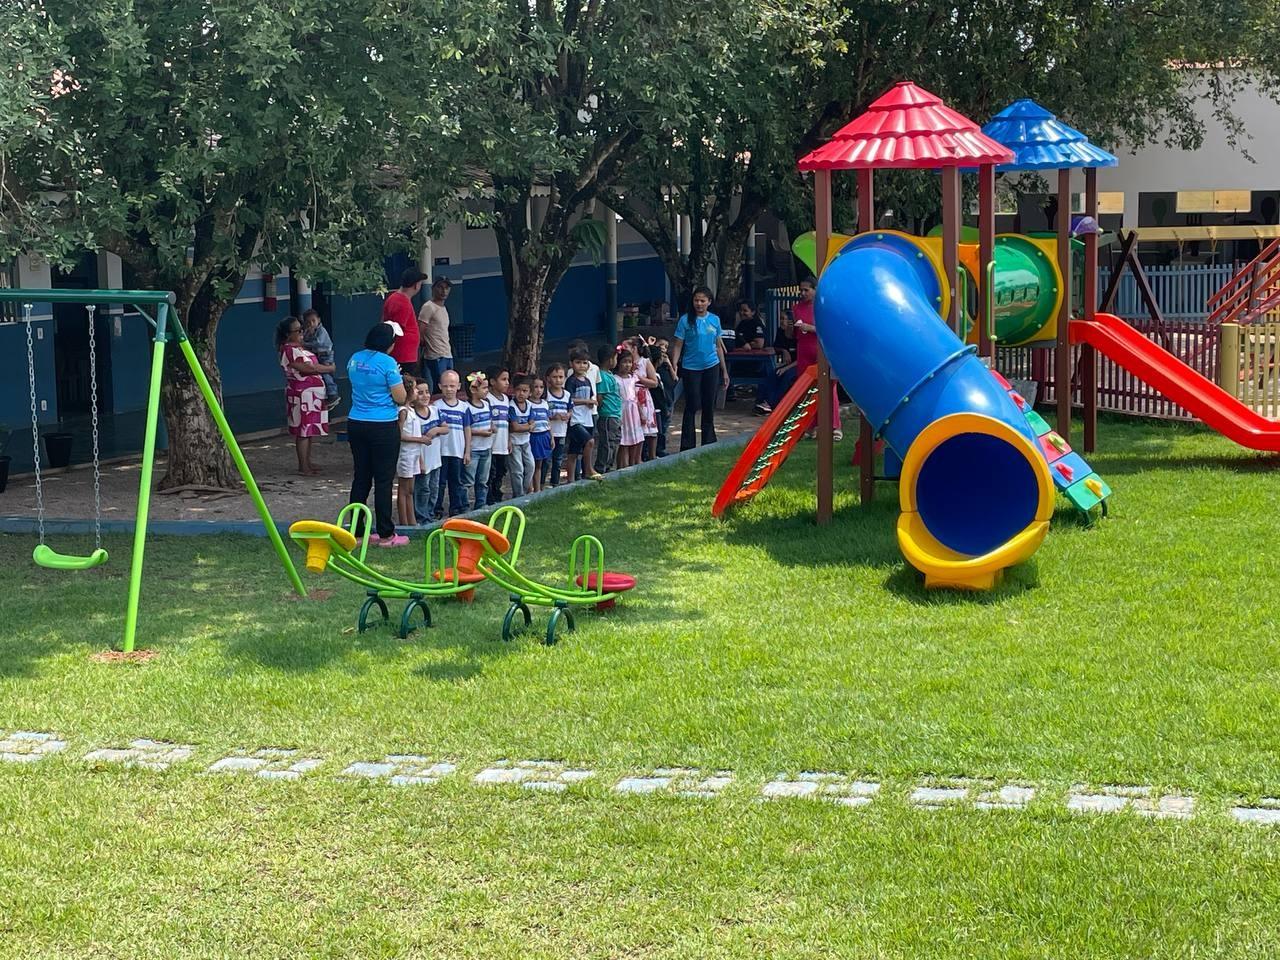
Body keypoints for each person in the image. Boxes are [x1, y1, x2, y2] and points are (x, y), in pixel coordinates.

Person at [346, 322, 409, 546]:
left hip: (356, 421)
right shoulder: (388, 363)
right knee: (383, 480)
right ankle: (386, 534)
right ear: (389, 343)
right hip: (382, 425)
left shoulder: (354, 358)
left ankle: (356, 530)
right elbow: (400, 397)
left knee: (361, 477)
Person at [671, 286, 728, 450]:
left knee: (708, 404)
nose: (699, 304)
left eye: (703, 300)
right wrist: (674, 363)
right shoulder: (685, 320)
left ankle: (709, 442)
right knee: (692, 404)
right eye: (696, 300)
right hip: (691, 368)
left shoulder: (715, 320)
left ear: (709, 302)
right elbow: (678, 344)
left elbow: (718, 346)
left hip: (711, 366)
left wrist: (724, 370)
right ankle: (687, 444)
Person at [276, 316, 333, 476]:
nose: (302, 332)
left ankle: (307, 461)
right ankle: (303, 465)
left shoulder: (300, 348)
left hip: (312, 395)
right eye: (298, 330)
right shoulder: (288, 350)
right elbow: (307, 368)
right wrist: (327, 369)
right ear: (288, 334)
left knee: (309, 430)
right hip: (301, 395)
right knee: (303, 430)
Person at [793, 275, 842, 441]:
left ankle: (834, 426)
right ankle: (810, 426)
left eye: (807, 290)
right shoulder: (797, 308)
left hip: (820, 349)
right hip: (804, 350)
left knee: (829, 387)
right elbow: (794, 333)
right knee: (807, 389)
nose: (803, 293)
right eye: (801, 290)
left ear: (815, 290)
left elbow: (829, 330)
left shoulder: (822, 307)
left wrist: (810, 328)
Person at [431, 369, 472, 517]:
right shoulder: (435, 406)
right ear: (440, 386)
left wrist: (467, 451)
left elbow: (467, 429)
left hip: (457, 451)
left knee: (457, 482)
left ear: (459, 386)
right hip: (440, 452)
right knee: (439, 483)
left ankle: (456, 508)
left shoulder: (464, 407)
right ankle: (437, 509)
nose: (449, 389)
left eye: (452, 386)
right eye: (446, 386)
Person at [396, 374, 428, 526]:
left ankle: (412, 521)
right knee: (403, 490)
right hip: (406, 455)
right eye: (415, 388)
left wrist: (421, 459)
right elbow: (400, 435)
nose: (417, 391)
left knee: (410, 490)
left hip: (414, 454)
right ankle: (404, 521)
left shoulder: (412, 410)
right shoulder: (403, 411)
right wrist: (420, 439)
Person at [564, 348, 600, 482]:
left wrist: (591, 403)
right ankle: (588, 469)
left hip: (587, 418)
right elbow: (569, 399)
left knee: (574, 451)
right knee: (590, 441)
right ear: (571, 364)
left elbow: (589, 396)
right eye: (578, 362)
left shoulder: (587, 381)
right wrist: (586, 401)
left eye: (584, 363)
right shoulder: (571, 381)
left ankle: (571, 480)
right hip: (575, 419)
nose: (581, 366)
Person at [413, 380, 446, 524]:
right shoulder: (413, 416)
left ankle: (430, 514)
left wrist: (436, 430)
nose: (425, 395)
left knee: (434, 488)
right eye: (420, 393)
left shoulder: (435, 410)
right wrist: (420, 462)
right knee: (423, 489)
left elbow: (446, 428)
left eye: (427, 392)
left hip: (436, 459)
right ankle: (422, 516)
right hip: (423, 460)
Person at [383, 267, 426, 375]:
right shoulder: (403, 303)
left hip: (401, 354)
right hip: (404, 356)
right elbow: (397, 329)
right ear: (416, 285)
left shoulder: (393, 298)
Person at [463, 371, 494, 509]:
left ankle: (481, 505)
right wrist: (480, 432)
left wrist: (492, 428)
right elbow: (467, 428)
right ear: (473, 390)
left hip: (487, 448)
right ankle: (464, 506)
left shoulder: (487, 404)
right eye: (484, 388)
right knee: (468, 480)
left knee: (483, 480)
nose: (487, 391)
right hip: (474, 449)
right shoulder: (467, 407)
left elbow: (490, 420)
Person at [417, 277, 454, 392]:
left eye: (446, 288)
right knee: (441, 386)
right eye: (440, 287)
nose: (443, 291)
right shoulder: (429, 307)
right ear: (433, 288)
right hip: (436, 354)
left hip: (447, 353)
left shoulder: (443, 308)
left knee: (450, 385)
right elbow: (420, 330)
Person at [301, 308, 340, 411]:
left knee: (326, 373)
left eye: (313, 321)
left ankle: (333, 394)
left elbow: (318, 344)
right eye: (308, 322)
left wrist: (304, 344)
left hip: (326, 354)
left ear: (318, 320)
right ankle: (326, 393)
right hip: (318, 354)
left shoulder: (321, 331)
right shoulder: (308, 331)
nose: (311, 324)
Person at [613, 349, 645, 469]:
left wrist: (642, 413)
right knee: (624, 441)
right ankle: (622, 466)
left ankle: (634, 463)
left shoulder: (633, 378)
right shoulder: (615, 379)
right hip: (622, 411)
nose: (627, 365)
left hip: (634, 411)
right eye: (624, 362)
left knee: (636, 438)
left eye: (630, 362)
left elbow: (636, 397)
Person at [593, 344, 622, 473]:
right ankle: (601, 467)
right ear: (610, 360)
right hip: (607, 415)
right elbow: (600, 396)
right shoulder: (603, 376)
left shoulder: (609, 374)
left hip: (615, 414)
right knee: (607, 442)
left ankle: (609, 465)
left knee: (615, 441)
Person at [485, 366, 512, 504]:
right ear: (492, 382)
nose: (507, 382)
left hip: (502, 444)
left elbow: (506, 422)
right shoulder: (488, 399)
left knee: (501, 471)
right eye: (503, 379)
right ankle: (489, 498)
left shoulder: (506, 399)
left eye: (507, 379)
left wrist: (508, 440)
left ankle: (497, 493)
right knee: (491, 472)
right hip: (491, 444)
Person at [508, 375, 535, 496]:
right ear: (514, 390)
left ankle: (524, 490)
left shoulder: (529, 405)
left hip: (526, 442)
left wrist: (525, 427)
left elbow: (532, 423)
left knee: (530, 466)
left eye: (525, 391)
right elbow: (515, 427)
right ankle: (518, 494)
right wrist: (528, 427)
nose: (521, 393)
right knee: (517, 470)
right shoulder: (511, 406)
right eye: (518, 390)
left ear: (530, 392)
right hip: (514, 443)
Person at [545, 363, 572, 485]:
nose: (558, 380)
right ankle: (540, 484)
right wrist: (553, 416)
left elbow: (570, 409)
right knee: (546, 460)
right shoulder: (546, 395)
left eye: (561, 377)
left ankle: (555, 483)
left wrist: (568, 415)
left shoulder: (567, 395)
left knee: (558, 460)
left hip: (561, 431)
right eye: (554, 377)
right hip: (548, 432)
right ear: (548, 378)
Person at [650, 337, 676, 457]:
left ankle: (661, 448)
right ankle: (656, 449)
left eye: (666, 346)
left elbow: (675, 379)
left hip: (669, 397)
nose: (663, 348)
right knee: (659, 426)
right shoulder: (653, 362)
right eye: (661, 345)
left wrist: (669, 365)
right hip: (659, 400)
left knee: (665, 425)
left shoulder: (667, 364)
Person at [529, 375, 552, 492]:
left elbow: (548, 421)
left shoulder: (544, 403)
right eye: (535, 387)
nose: (538, 390)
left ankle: (538, 489)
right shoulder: (528, 404)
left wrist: (551, 437)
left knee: (541, 463)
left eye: (541, 387)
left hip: (544, 435)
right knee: (532, 464)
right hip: (534, 436)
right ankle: (531, 489)